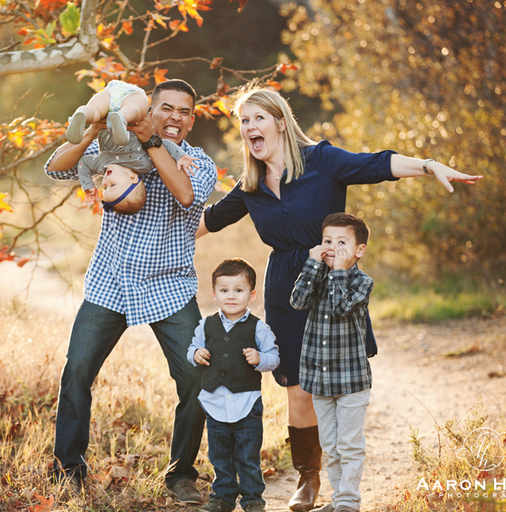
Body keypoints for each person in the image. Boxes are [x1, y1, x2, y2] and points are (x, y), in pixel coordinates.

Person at [197, 86, 482, 511]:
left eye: (258, 118)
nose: (250, 127)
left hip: (332, 286)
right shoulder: (250, 186)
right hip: (287, 292)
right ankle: (308, 478)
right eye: (244, 121)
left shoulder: (322, 160)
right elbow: (207, 221)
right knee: (297, 389)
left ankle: (346, 485)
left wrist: (427, 166)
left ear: (280, 123)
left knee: (338, 387)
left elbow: (378, 163)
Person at [44, 79, 218, 504]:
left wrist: (153, 142)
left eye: (184, 111)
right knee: (77, 372)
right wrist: (92, 128)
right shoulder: (117, 147)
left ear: (192, 121)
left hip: (169, 287)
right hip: (111, 283)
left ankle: (181, 475)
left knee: (196, 378)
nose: (175, 117)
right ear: (148, 110)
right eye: (166, 108)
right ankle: (68, 470)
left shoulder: (197, 161)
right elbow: (57, 167)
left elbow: (186, 195)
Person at [290, 213, 374, 512]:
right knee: (331, 446)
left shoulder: (362, 282)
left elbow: (340, 307)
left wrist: (338, 270)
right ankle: (340, 499)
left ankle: (348, 502)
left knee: (349, 445)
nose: (333, 248)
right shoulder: (316, 275)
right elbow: (297, 301)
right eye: (327, 241)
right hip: (320, 381)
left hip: (351, 380)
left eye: (342, 243)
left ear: (359, 250)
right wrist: (313, 264)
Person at [187, 259, 280, 512]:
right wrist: (196, 354)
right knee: (220, 456)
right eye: (224, 290)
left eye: (238, 290)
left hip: (247, 403)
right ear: (214, 294)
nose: (231, 296)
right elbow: (192, 348)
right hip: (215, 403)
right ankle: (222, 498)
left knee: (247, 457)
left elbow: (273, 357)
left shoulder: (258, 327)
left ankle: (252, 499)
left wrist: (260, 358)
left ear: (251, 295)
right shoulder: (206, 325)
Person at [69, 80, 197, 214]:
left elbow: (83, 162)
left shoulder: (102, 165)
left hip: (108, 100)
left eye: (105, 188)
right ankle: (121, 118)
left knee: (94, 111)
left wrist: (88, 184)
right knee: (135, 110)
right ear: (133, 178)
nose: (105, 182)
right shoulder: (145, 165)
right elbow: (163, 144)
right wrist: (181, 156)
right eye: (113, 185)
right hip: (132, 98)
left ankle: (82, 114)